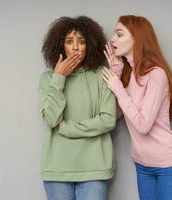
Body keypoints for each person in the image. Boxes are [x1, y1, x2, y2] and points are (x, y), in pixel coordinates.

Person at [101, 15, 172, 200]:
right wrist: (117, 75)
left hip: (169, 166)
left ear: (137, 38)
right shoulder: (128, 75)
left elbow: (143, 125)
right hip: (142, 165)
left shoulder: (157, 75)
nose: (112, 39)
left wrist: (117, 87)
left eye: (119, 34)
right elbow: (116, 114)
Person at [38, 16, 116, 200]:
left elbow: (108, 119)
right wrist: (59, 78)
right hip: (57, 168)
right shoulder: (48, 79)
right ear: (59, 45)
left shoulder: (102, 76)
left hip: (95, 168)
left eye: (81, 41)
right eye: (69, 41)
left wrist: (67, 128)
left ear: (90, 45)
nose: (75, 47)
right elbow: (50, 119)